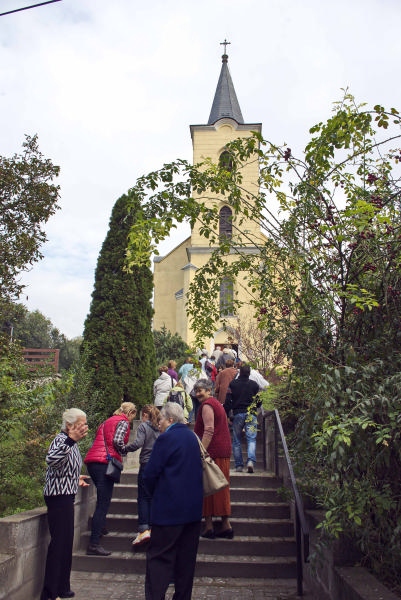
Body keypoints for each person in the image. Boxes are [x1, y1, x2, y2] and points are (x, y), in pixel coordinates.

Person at [143, 403, 203, 600]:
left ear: (170, 420)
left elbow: (150, 473)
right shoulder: (192, 437)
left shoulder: (166, 438)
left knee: (159, 559)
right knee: (186, 562)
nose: (158, 423)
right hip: (192, 511)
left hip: (169, 510)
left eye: (161, 419)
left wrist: (155, 495)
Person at [41, 408, 89, 600]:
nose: (84, 427)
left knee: (66, 542)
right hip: (58, 497)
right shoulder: (62, 440)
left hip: (67, 494)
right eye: (81, 424)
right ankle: (50, 593)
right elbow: (52, 461)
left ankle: (62, 587)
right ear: (69, 425)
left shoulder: (72, 443)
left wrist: (76, 478)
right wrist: (70, 440)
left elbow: (63, 468)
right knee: (59, 544)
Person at [84, 401, 137, 555]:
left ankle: (101, 527)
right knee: (103, 503)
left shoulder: (106, 421)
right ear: (130, 413)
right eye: (133, 416)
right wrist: (124, 450)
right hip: (105, 463)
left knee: (102, 499)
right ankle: (94, 544)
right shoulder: (123, 422)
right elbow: (117, 441)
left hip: (93, 462)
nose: (132, 420)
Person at [193, 378, 233, 539]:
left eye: (200, 390)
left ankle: (209, 526)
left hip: (213, 451)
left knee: (208, 487)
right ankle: (225, 525)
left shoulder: (207, 405)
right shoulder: (216, 404)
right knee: (221, 486)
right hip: (222, 450)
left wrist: (201, 451)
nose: (198, 394)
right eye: (196, 391)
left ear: (209, 391)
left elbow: (209, 430)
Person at [126, 405, 160, 547]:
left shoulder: (143, 426)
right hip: (158, 465)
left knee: (143, 497)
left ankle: (144, 529)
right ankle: (154, 527)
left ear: (145, 414)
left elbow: (138, 443)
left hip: (146, 464)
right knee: (154, 496)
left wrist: (125, 448)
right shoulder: (160, 427)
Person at [225, 364, 260, 473]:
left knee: (236, 440)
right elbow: (259, 401)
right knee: (251, 438)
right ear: (249, 373)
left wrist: (227, 414)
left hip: (238, 414)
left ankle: (239, 465)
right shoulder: (254, 385)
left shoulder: (233, 384)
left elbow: (228, 401)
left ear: (239, 372)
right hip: (251, 414)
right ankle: (250, 461)